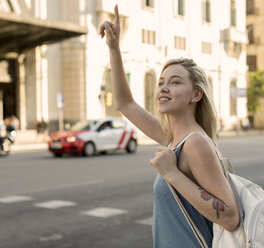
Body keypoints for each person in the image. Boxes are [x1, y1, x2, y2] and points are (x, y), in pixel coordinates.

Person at [99, 6, 239, 247]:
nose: (163, 88)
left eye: (175, 82)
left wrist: (171, 173)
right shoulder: (172, 137)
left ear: (196, 95)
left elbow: (230, 216)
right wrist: (114, 48)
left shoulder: (195, 142)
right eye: (161, 82)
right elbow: (125, 102)